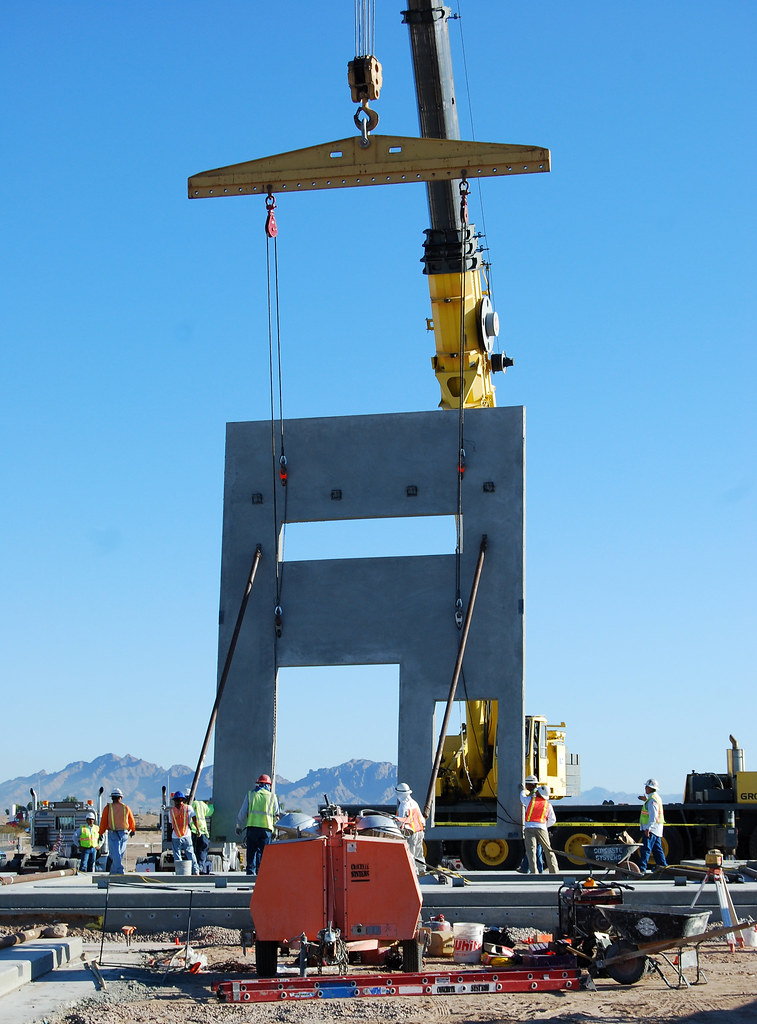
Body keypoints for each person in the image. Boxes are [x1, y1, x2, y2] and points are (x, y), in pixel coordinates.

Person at [235, 774, 280, 876]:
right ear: (269, 785)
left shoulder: (251, 794)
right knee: (263, 854)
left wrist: (238, 825)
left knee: (251, 852)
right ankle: (261, 875)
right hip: (266, 829)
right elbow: (276, 815)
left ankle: (250, 874)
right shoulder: (272, 797)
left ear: (258, 783)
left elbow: (242, 812)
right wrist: (276, 831)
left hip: (252, 828)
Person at [519, 778, 559, 874]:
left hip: (529, 828)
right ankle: (554, 871)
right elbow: (553, 820)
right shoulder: (548, 805)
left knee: (531, 851)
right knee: (548, 850)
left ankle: (534, 872)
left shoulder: (530, 800)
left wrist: (522, 790)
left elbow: (522, 798)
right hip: (542, 828)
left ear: (538, 792)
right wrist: (545, 825)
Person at [98, 788, 136, 874]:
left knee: (116, 854)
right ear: (120, 797)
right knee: (118, 854)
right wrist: (133, 830)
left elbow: (103, 822)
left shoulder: (108, 808)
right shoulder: (126, 808)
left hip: (113, 833)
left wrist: (100, 833)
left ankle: (117, 871)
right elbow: (131, 820)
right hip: (124, 834)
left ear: (112, 798)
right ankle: (116, 871)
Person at [637, 778, 668, 874]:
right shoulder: (655, 798)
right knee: (657, 849)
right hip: (656, 829)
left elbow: (653, 816)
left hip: (652, 829)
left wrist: (648, 829)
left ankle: (642, 868)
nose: (645, 788)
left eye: (647, 787)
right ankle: (663, 866)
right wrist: (645, 800)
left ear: (650, 788)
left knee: (646, 849)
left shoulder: (652, 800)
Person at [395, 782, 426, 870]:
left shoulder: (403, 806)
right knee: (419, 854)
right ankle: (422, 871)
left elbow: (401, 821)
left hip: (410, 833)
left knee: (410, 854)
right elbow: (421, 818)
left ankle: (414, 872)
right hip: (419, 831)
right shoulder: (414, 803)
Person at [170, 791, 200, 874]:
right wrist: (198, 829)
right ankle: (195, 872)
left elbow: (170, 824)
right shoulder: (188, 808)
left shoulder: (171, 811)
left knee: (177, 855)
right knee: (190, 853)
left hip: (176, 836)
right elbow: (194, 819)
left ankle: (180, 872)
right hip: (186, 835)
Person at [191, 797, 214, 875]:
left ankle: (194, 869)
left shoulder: (185, 806)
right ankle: (200, 867)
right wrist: (211, 804)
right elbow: (210, 811)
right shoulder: (201, 804)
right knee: (202, 850)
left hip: (191, 832)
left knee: (192, 852)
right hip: (202, 831)